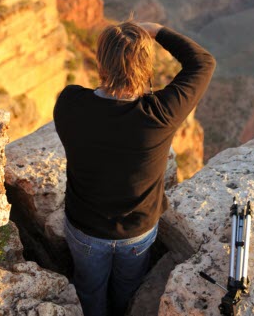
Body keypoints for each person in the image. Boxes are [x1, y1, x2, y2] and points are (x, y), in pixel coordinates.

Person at [53, 20, 216, 316]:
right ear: (146, 67)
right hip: (137, 235)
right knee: (128, 290)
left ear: (101, 63)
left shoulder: (69, 103)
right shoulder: (160, 114)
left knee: (88, 291)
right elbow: (203, 63)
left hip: (85, 229)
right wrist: (158, 31)